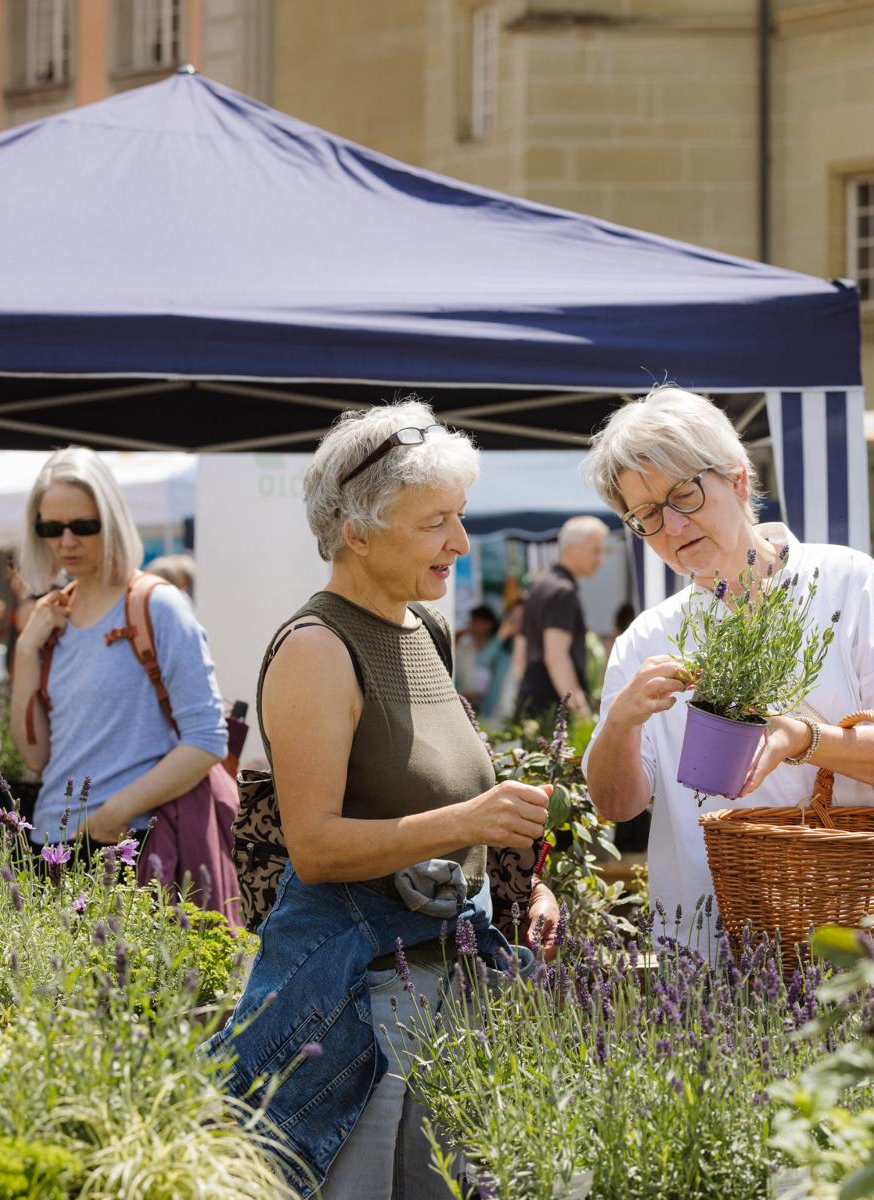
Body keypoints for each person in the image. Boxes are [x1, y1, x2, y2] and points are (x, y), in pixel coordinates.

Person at [210, 400, 560, 1198]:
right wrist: (470, 820)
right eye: (435, 522)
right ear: (357, 532)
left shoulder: (422, 630)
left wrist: (518, 876)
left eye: (459, 516)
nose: (460, 543)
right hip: (359, 1005)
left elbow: (438, 794)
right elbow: (316, 846)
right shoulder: (315, 648)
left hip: (445, 978)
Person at [581, 386, 874, 934]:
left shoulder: (844, 583)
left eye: (683, 496)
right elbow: (617, 804)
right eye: (646, 515)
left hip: (856, 933)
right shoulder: (647, 638)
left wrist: (803, 740)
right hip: (708, 944)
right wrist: (618, 724)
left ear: (738, 480)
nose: (672, 528)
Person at [9, 448, 229, 848]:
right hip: (49, 846)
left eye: (84, 525)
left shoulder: (155, 605)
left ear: (110, 520)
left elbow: (207, 739)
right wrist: (25, 651)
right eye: (51, 528)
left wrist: (115, 813)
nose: (67, 541)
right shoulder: (53, 618)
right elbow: (35, 757)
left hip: (132, 843)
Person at [517, 515, 608, 721]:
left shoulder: (539, 585)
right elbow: (556, 656)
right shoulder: (562, 591)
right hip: (552, 709)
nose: (600, 559)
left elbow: (519, 654)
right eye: (595, 550)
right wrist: (580, 711)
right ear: (572, 548)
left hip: (530, 700)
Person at [453, 603, 502, 711]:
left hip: (490, 706)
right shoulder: (465, 647)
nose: (473, 624)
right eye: (472, 621)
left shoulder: (498, 650)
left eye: (477, 621)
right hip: (464, 701)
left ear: (488, 625)